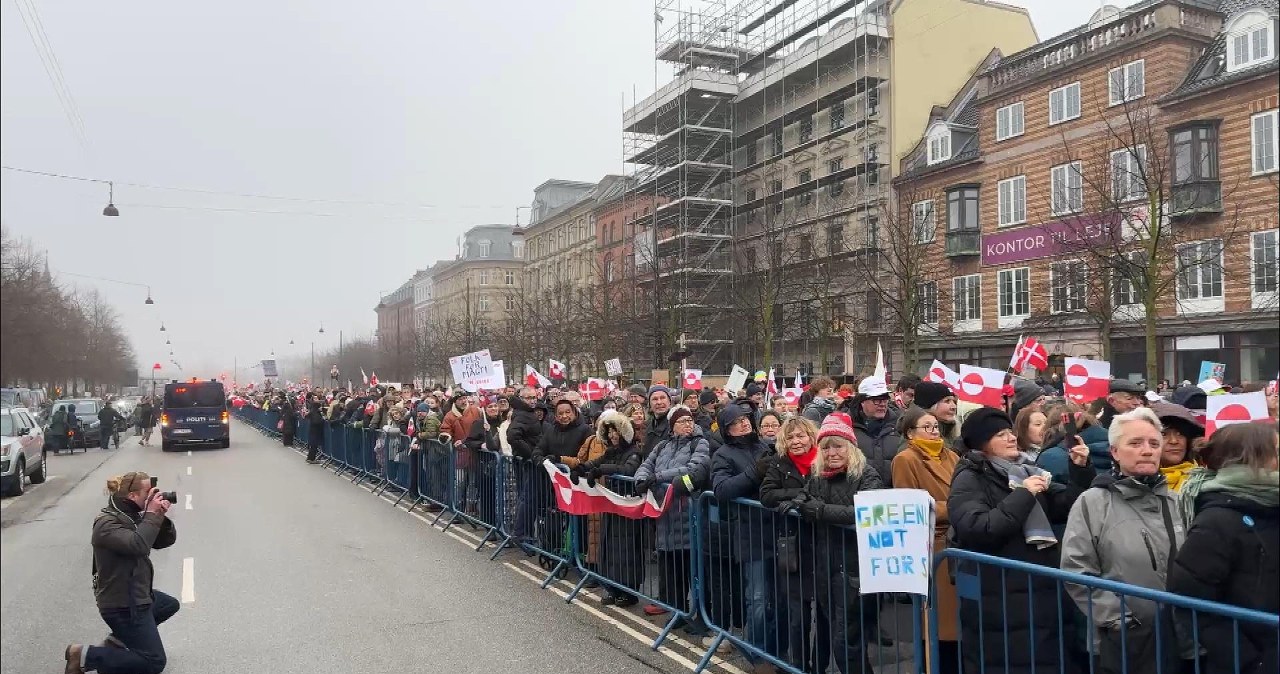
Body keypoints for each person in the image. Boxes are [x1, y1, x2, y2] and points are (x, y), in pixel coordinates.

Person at [948, 407, 1094, 674]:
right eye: (1000, 435)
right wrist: (1023, 495)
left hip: (1041, 590)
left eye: (1010, 432)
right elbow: (978, 527)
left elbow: (1067, 506)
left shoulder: (1027, 469)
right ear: (982, 443)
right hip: (999, 594)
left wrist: (1080, 469)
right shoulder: (970, 476)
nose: (1010, 438)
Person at [1060, 408, 1193, 674]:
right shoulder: (1093, 502)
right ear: (1115, 452)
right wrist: (1119, 620)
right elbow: (1076, 569)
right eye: (1135, 443)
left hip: (1180, 639)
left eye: (1154, 443)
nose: (1148, 450)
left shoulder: (1177, 500)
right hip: (1123, 644)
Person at [1167, 423, 1278, 674]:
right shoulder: (1217, 520)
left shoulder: (1272, 504)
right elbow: (1190, 600)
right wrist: (1251, 661)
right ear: (1252, 458)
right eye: (1277, 452)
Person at [793, 413, 884, 674]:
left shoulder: (867, 475)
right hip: (825, 568)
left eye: (838, 446)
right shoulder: (819, 475)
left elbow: (864, 511)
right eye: (826, 447)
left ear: (851, 448)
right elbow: (803, 497)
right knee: (840, 638)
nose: (832, 452)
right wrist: (803, 505)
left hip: (855, 571)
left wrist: (820, 511)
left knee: (846, 641)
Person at [65, 471, 178, 674]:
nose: (152, 495)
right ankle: (84, 655)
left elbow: (163, 542)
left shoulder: (131, 515)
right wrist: (151, 515)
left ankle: (116, 643)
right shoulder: (106, 524)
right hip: (122, 606)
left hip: (137, 597)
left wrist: (159, 515)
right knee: (154, 661)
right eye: (147, 492)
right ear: (132, 496)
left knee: (169, 604)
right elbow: (138, 545)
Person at [891, 406, 961, 672]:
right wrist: (955, 508)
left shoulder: (952, 456)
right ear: (910, 432)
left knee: (955, 624)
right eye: (927, 427)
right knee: (937, 623)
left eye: (935, 427)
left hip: (956, 542)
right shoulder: (906, 459)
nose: (934, 432)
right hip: (934, 545)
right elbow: (912, 504)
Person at [633, 405, 711, 633]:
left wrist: (658, 478)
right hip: (665, 517)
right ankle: (678, 612)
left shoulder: (700, 443)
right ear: (672, 426)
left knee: (693, 571)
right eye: (681, 421)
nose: (687, 424)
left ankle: (700, 615)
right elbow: (645, 465)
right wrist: (641, 479)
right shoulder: (663, 445)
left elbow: (693, 468)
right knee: (672, 571)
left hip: (688, 516)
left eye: (689, 420)